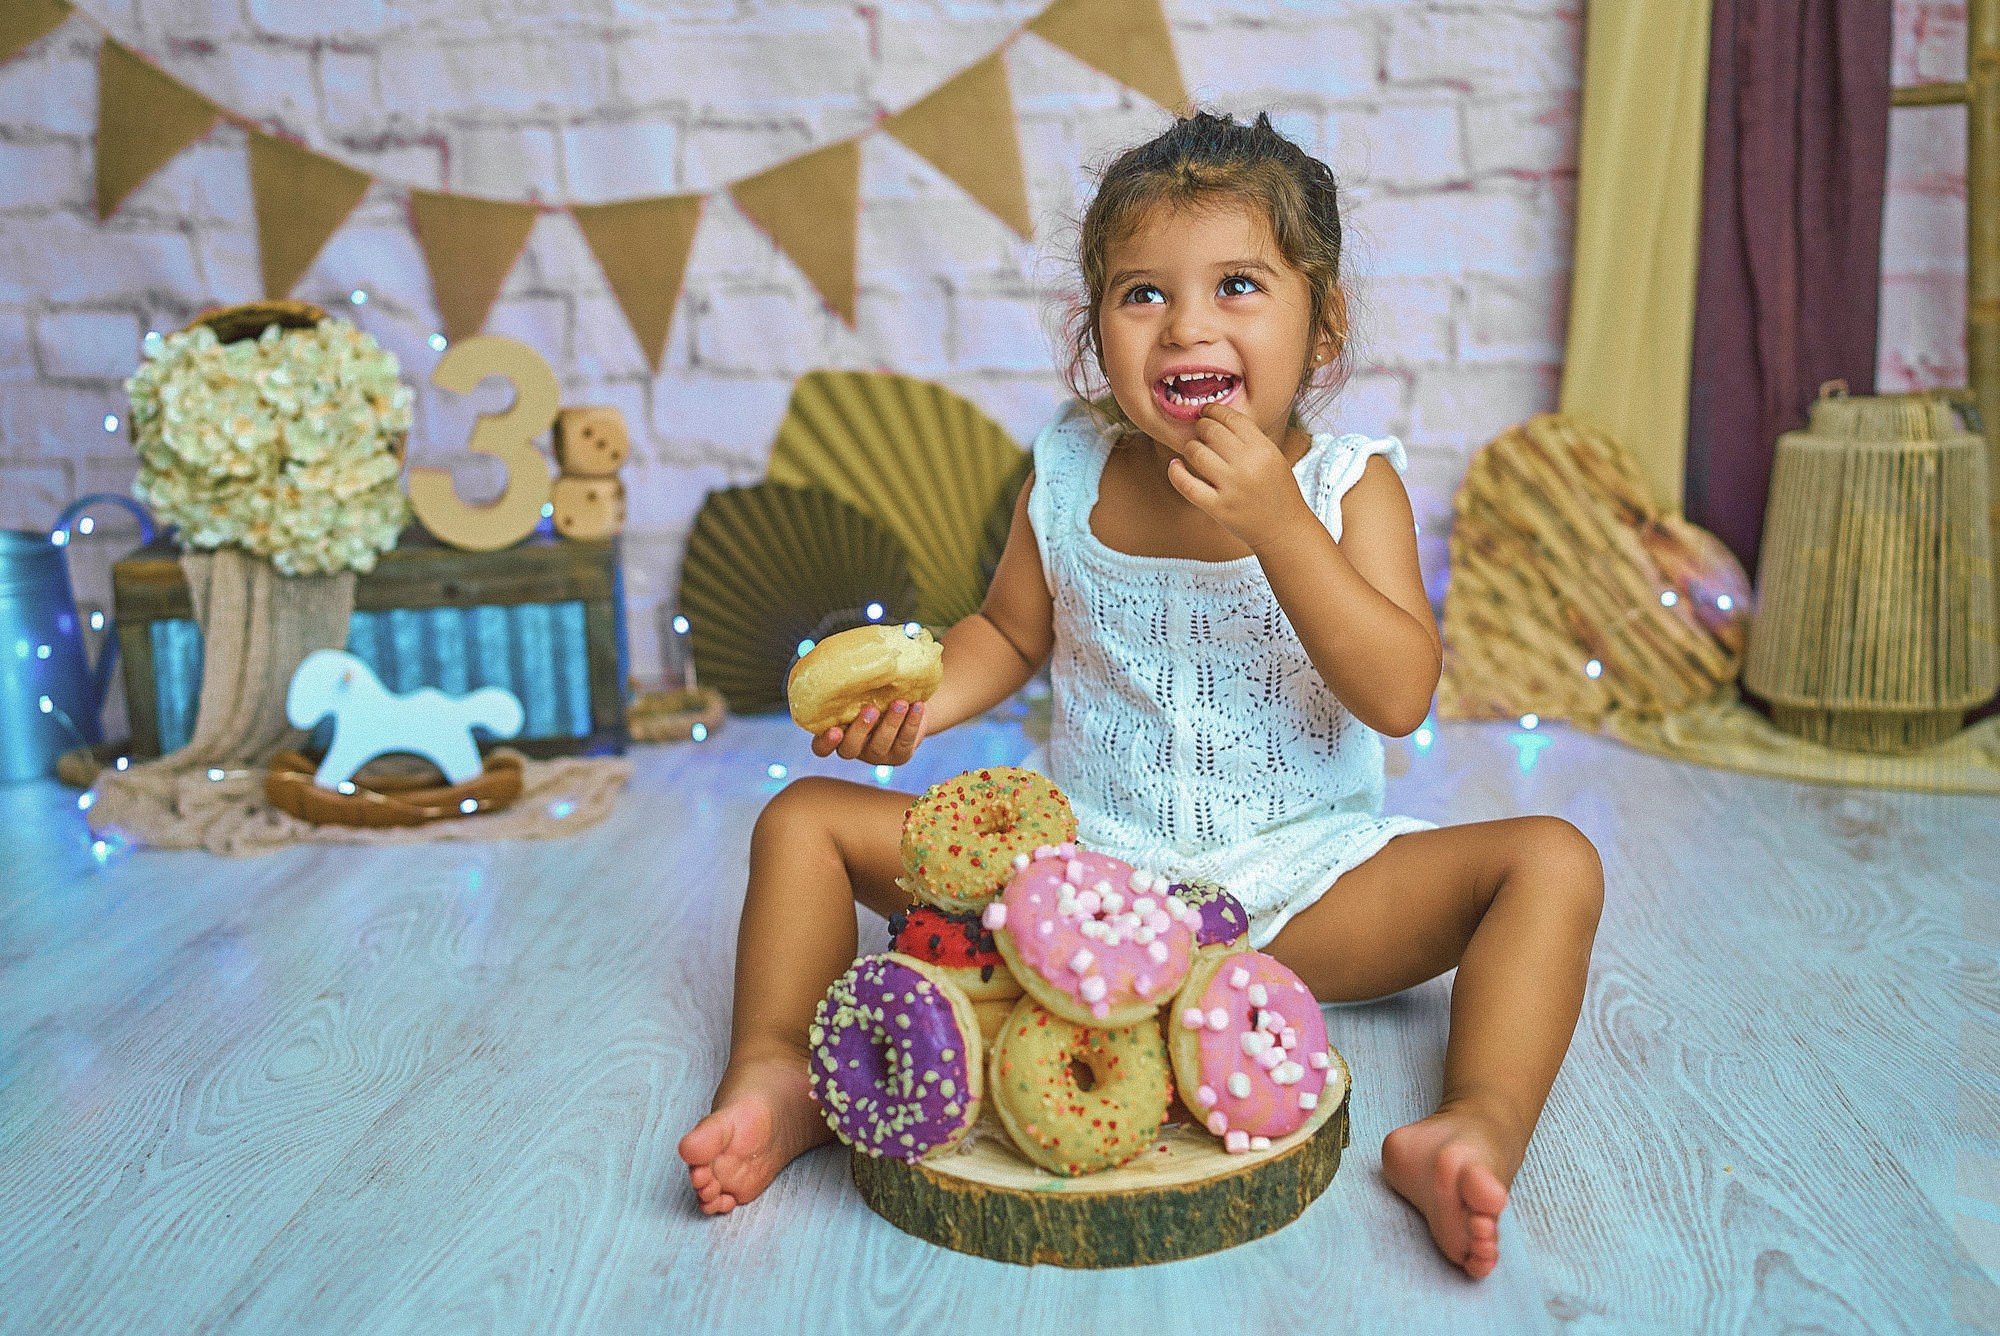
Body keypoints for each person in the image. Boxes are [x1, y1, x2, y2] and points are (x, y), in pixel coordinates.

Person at [678, 110, 1603, 1280]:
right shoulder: (1070, 470)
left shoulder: (1344, 485)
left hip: (1299, 891)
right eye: (1141, 294)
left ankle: (1471, 1122)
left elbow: (1398, 691)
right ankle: (776, 1069)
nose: (1186, 325)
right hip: (1076, 884)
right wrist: (922, 702)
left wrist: (1278, 525)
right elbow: (1005, 632)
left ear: (1322, 325)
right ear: (1094, 333)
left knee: (1551, 860)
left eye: (1236, 285)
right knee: (802, 818)